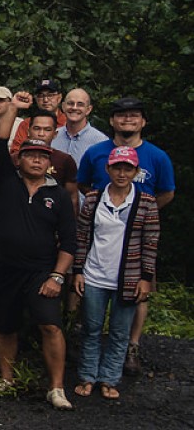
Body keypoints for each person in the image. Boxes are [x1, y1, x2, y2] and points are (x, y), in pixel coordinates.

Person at [0, 91, 76, 410]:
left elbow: (70, 242)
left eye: (42, 156)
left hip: (41, 272)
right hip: (5, 269)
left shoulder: (59, 197)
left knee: (50, 325)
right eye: (30, 154)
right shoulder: (7, 181)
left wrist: (57, 276)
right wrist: (14, 108)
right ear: (20, 159)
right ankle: (7, 380)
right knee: (6, 326)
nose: (36, 159)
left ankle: (57, 387)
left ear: (50, 162)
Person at [76, 96, 175, 376]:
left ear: (143, 122)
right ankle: (89, 371)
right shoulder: (97, 152)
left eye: (134, 116)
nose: (127, 120)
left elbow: (167, 191)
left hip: (136, 243)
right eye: (121, 116)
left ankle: (132, 346)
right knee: (93, 320)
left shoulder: (156, 156)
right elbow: (82, 183)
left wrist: (143, 213)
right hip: (101, 237)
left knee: (138, 296)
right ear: (111, 120)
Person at [73, 146, 159, 401]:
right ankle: (87, 376)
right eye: (117, 167)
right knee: (91, 328)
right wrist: (78, 271)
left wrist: (146, 277)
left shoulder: (146, 202)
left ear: (135, 171)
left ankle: (109, 379)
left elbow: (151, 242)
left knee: (120, 331)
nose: (122, 173)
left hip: (129, 276)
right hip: (95, 273)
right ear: (108, 169)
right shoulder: (93, 198)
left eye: (128, 168)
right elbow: (82, 237)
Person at [51, 88, 108, 164]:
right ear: (63, 106)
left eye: (80, 104)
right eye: (70, 103)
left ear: (88, 110)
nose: (74, 108)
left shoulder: (101, 141)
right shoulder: (53, 136)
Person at [11, 79, 68, 154]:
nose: (45, 100)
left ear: (59, 97)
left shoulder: (68, 122)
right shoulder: (26, 124)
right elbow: (16, 152)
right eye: (41, 96)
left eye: (50, 95)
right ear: (36, 99)